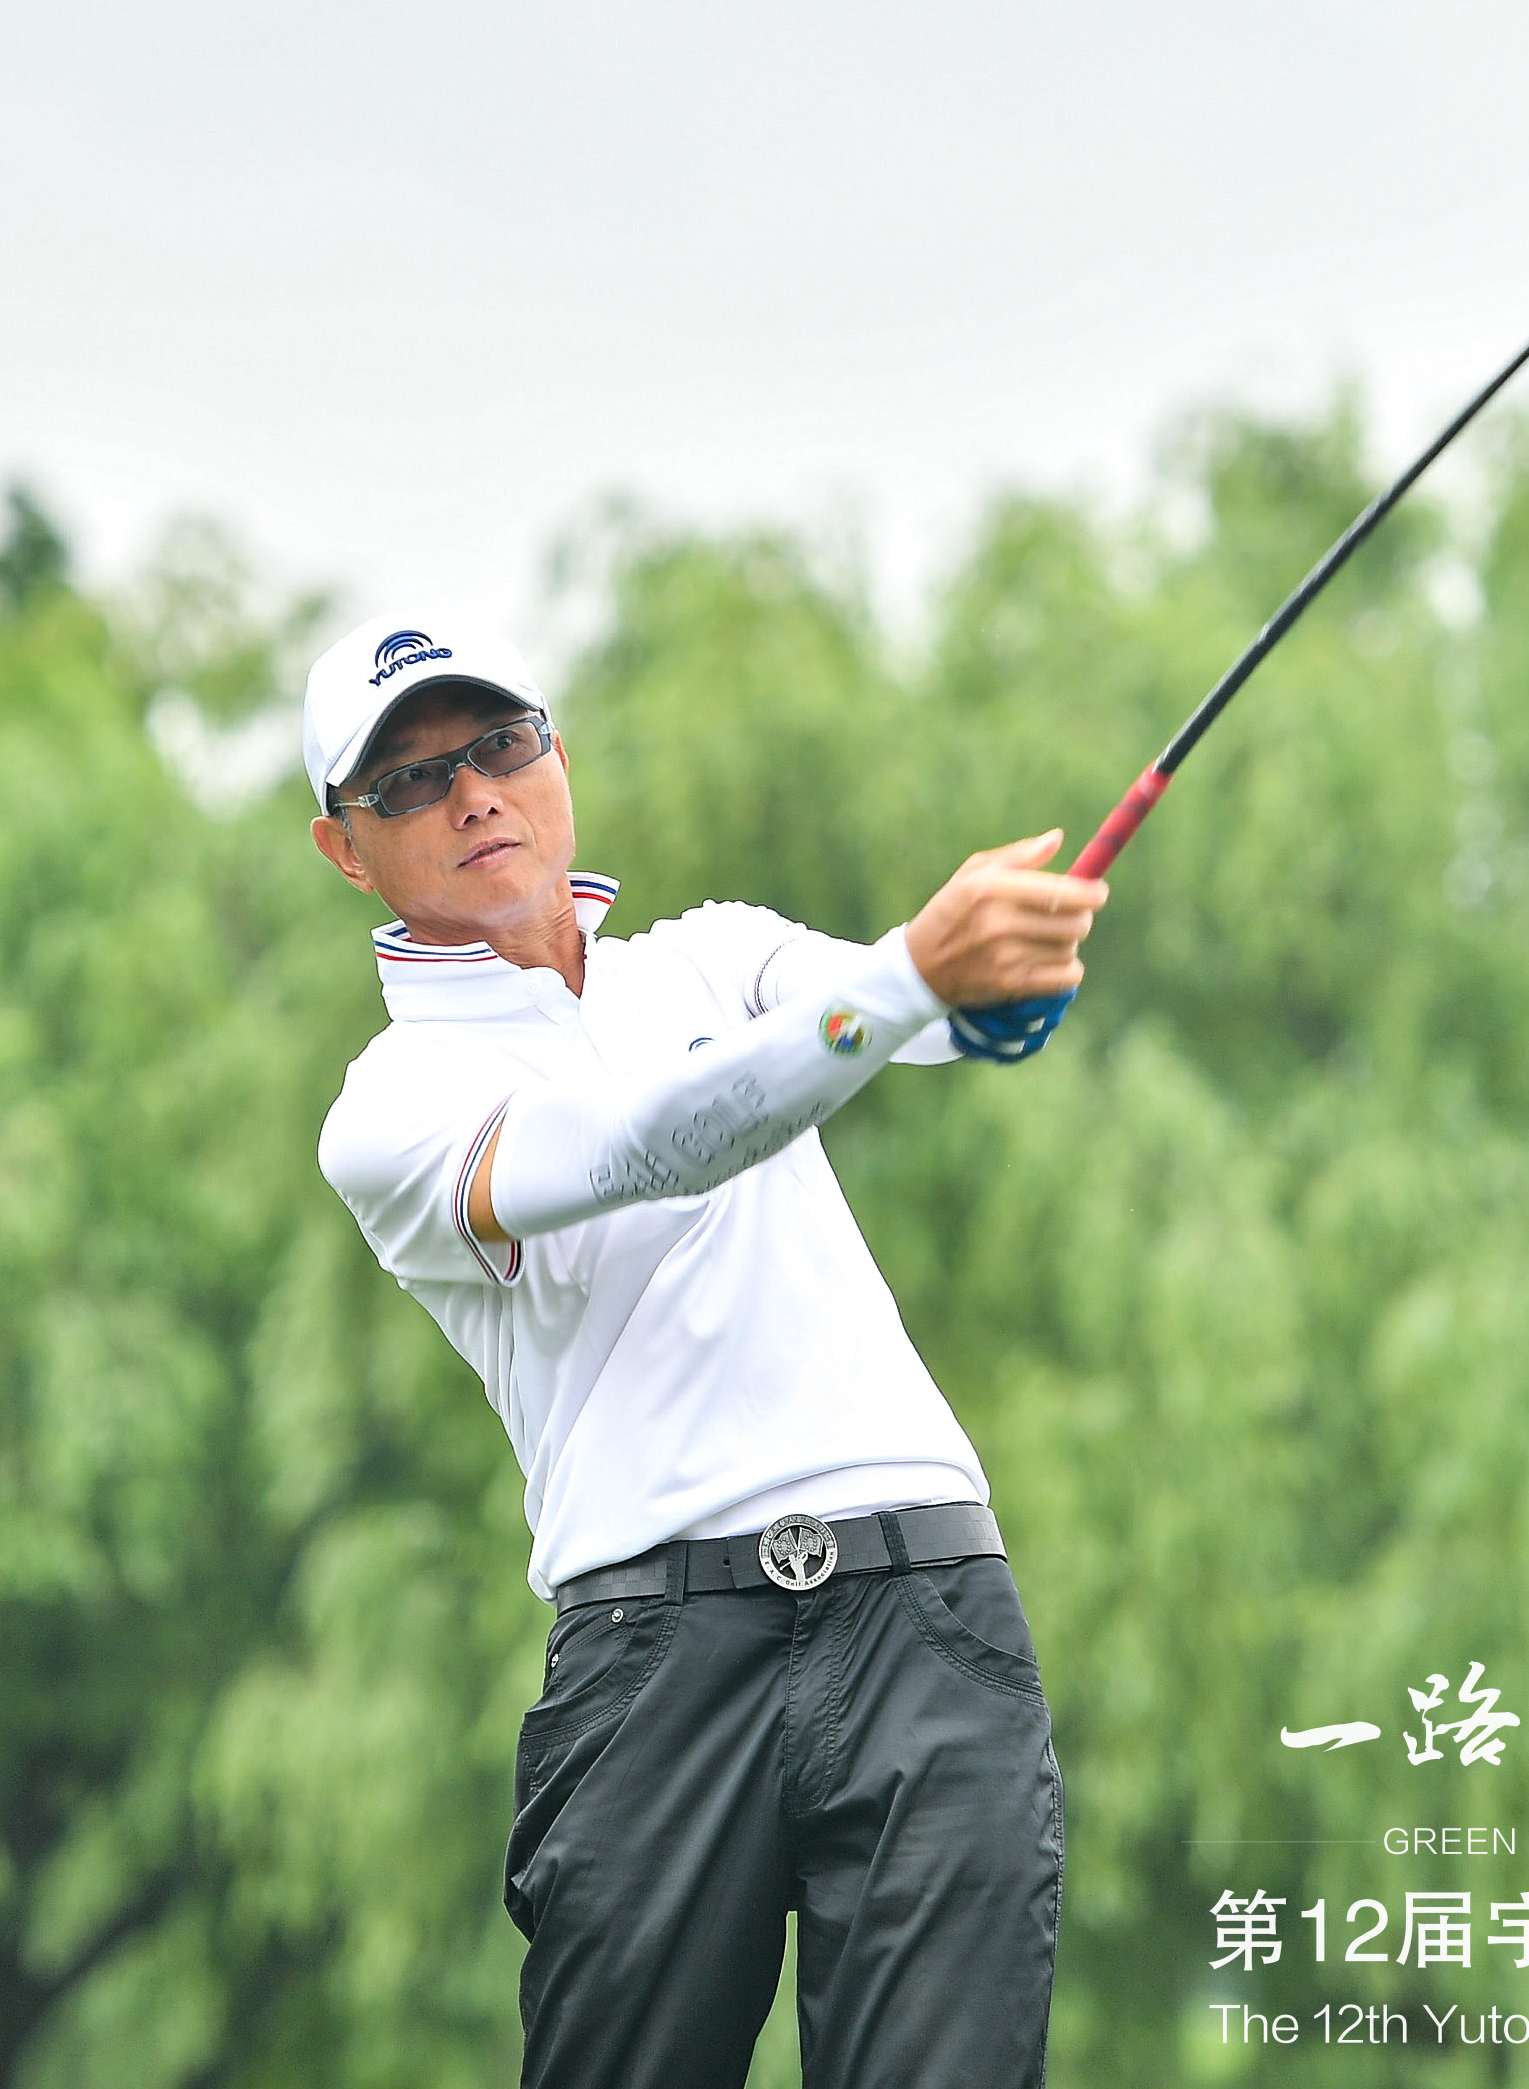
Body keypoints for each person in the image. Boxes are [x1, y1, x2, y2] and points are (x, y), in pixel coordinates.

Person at [303, 609, 1105, 2089]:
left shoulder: (718, 956)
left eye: (500, 747)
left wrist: (999, 984)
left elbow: (934, 1023)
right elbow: (648, 1145)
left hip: (924, 1605)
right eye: (409, 780)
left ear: (556, 756)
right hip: (655, 1660)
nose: (473, 795)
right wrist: (915, 976)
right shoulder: (392, 1102)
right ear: (344, 848)